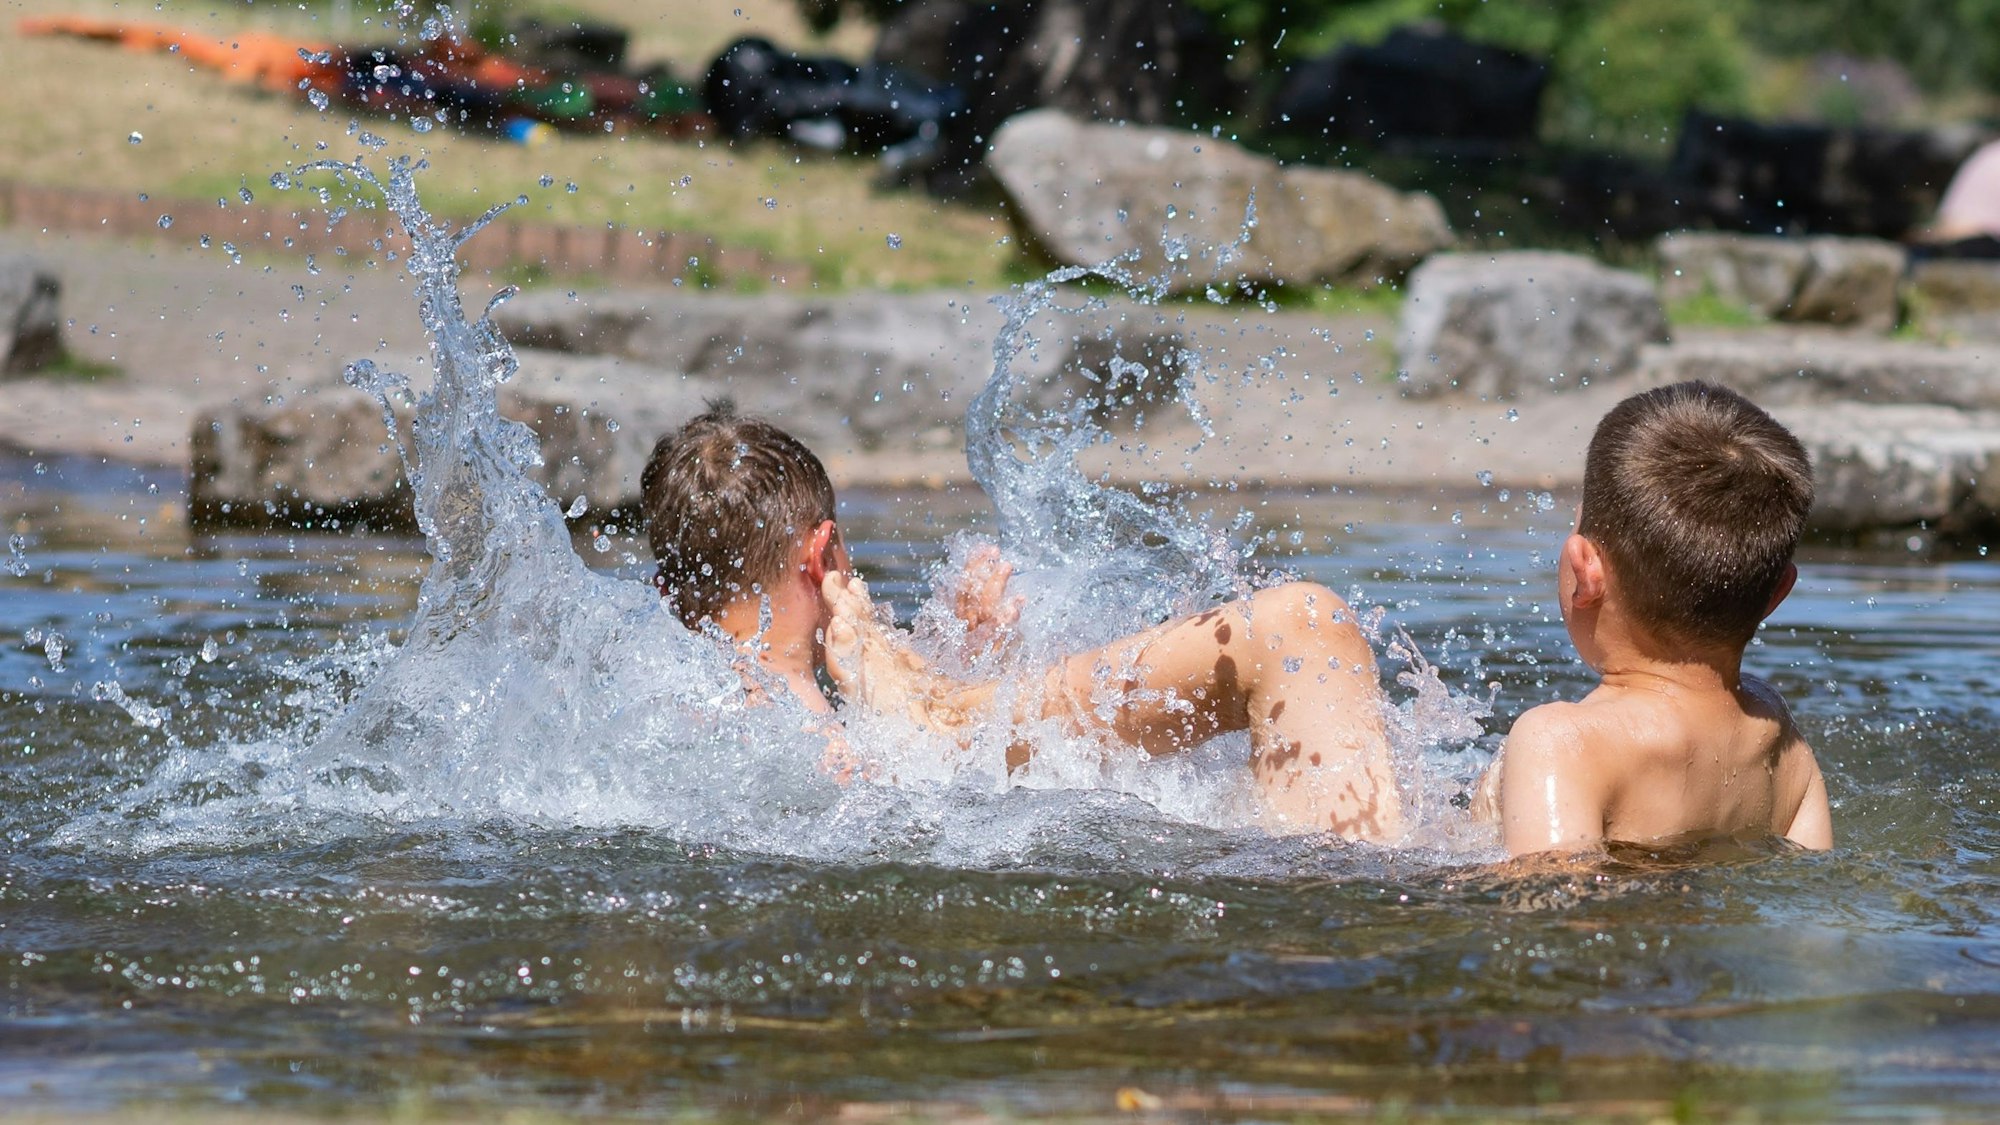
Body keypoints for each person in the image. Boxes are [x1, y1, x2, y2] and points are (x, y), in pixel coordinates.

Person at [641, 400, 1404, 842]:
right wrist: (929, 702)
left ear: (670, 592)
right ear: (823, 553)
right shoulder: (817, 737)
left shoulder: (663, 713)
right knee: (1302, 625)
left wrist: (960, 660)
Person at [1477, 381, 1832, 857]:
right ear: (1777, 593)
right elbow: (1814, 873)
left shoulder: (1563, 741)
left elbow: (1549, 899)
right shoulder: (1776, 733)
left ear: (1586, 570)